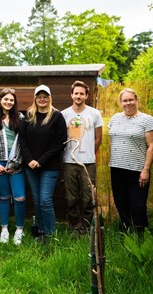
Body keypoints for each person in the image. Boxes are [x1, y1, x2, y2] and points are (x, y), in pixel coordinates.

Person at [19, 84, 67, 242]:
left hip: (49, 167)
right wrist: (30, 160)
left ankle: (51, 234)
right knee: (38, 199)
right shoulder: (29, 115)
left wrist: (40, 161)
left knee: (45, 200)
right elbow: (23, 141)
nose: (42, 99)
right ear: (35, 98)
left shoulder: (57, 117)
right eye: (39, 97)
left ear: (49, 98)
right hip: (30, 166)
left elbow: (60, 143)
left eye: (45, 96)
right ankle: (40, 231)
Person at [108, 88, 153, 234]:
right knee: (121, 203)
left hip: (137, 170)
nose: (128, 103)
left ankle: (141, 235)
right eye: (125, 100)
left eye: (131, 100)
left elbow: (152, 147)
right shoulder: (115, 118)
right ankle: (125, 232)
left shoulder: (147, 120)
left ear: (136, 100)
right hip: (116, 168)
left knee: (138, 205)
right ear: (120, 102)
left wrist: (146, 170)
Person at [0, 88, 26, 245]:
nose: (8, 102)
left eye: (11, 100)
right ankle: (4, 229)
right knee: (3, 197)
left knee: (20, 197)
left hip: (17, 163)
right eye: (6, 99)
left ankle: (19, 229)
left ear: (14, 102)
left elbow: (24, 142)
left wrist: (17, 162)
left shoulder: (21, 118)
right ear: (0, 100)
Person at [62, 81, 103, 235]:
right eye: (76, 93)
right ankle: (73, 227)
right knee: (71, 196)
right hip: (69, 161)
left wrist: (89, 152)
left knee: (88, 196)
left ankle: (85, 228)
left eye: (81, 93)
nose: (78, 96)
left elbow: (98, 138)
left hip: (88, 163)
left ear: (86, 95)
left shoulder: (95, 114)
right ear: (71, 95)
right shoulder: (64, 114)